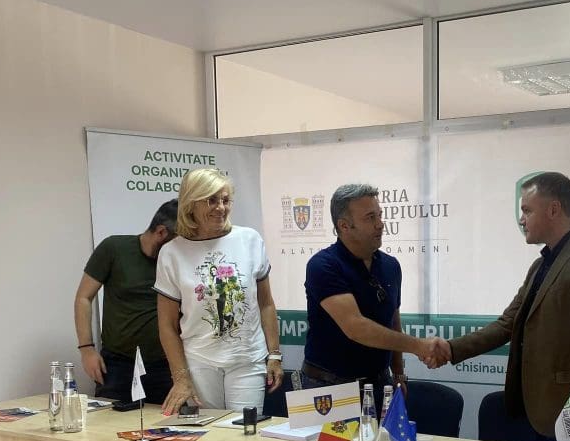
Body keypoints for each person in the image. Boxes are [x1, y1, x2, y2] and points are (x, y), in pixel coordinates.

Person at [430, 172, 570, 441]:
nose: (521, 220)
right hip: (538, 410)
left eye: (527, 210)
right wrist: (451, 349)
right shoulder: (542, 264)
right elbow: (507, 323)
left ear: (553, 209)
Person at [154, 168, 283, 414]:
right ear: (191, 203)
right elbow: (167, 325)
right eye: (211, 200)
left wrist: (274, 354)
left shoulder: (250, 239)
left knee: (245, 431)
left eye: (225, 200)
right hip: (198, 362)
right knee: (208, 434)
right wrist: (180, 378)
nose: (220, 208)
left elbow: (266, 303)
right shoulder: (171, 253)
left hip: (247, 359)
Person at [302, 183, 437, 414]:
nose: (380, 224)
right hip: (328, 388)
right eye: (370, 217)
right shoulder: (323, 265)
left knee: (383, 439)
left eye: (380, 215)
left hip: (379, 384)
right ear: (344, 226)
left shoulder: (391, 266)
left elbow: (393, 321)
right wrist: (419, 346)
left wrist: (398, 374)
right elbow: (357, 328)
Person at [74, 199, 178, 404]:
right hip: (117, 363)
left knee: (166, 422)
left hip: (165, 364)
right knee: (109, 422)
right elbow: (83, 298)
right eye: (179, 241)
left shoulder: (176, 262)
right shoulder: (114, 248)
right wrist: (86, 350)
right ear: (161, 232)